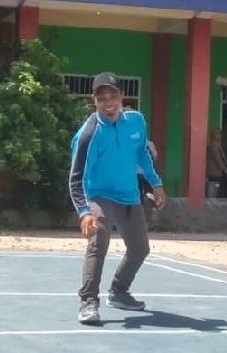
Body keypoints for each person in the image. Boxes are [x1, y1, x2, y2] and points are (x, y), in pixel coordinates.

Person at [69, 72, 166, 325]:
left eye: (112, 96)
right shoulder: (88, 134)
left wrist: (156, 183)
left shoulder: (136, 121)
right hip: (99, 195)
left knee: (140, 248)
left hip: (129, 195)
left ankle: (119, 291)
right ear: (94, 101)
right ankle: (88, 301)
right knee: (98, 241)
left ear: (122, 97)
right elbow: (76, 177)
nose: (108, 102)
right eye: (102, 98)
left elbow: (142, 154)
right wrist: (84, 211)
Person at [207, 128, 227, 198]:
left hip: (217, 173)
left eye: (220, 133)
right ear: (213, 135)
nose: (219, 135)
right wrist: (225, 169)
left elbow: (223, 158)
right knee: (215, 193)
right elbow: (218, 160)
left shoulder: (218, 145)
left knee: (218, 191)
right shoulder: (214, 145)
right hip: (215, 173)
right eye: (217, 133)